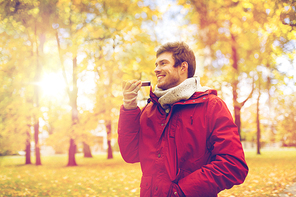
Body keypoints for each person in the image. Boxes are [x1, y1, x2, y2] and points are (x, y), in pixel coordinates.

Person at [118, 41, 248, 197]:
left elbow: (233, 165)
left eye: (163, 63)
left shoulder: (211, 106)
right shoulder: (150, 109)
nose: (156, 69)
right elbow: (130, 154)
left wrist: (180, 191)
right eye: (156, 64)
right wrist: (129, 108)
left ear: (183, 67)